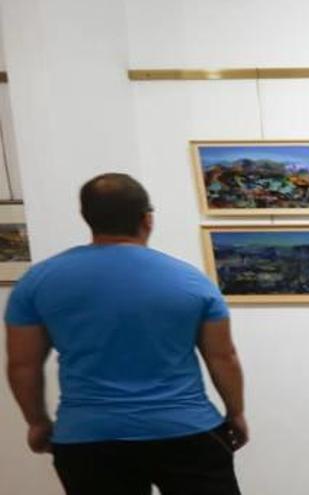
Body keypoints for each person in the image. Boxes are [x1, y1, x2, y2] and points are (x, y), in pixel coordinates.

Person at [5, 173, 247, 495]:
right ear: (147, 219)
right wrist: (236, 413)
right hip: (186, 430)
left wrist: (37, 422)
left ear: (87, 218)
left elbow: (23, 365)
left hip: (88, 436)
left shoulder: (38, 282)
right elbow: (222, 356)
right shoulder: (190, 281)